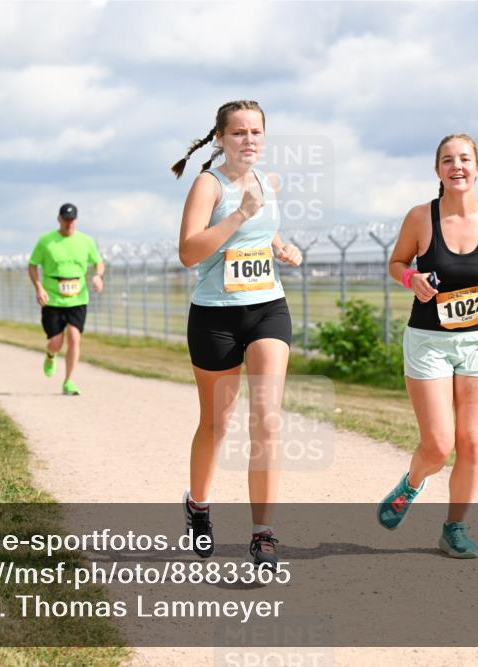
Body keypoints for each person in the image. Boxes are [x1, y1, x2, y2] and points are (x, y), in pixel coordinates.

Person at [376, 133, 478, 558]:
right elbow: (396, 263)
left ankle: (454, 528)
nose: (456, 166)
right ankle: (411, 484)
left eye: (464, 159)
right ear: (437, 170)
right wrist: (412, 279)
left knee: (473, 441)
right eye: (448, 160)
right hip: (428, 342)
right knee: (439, 445)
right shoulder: (420, 218)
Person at [172, 100, 303, 569]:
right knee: (216, 423)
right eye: (239, 132)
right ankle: (199, 506)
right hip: (215, 316)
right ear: (220, 139)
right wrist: (239, 216)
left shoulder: (270, 183)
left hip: (267, 308)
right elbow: (189, 252)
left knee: (267, 420)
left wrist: (281, 246)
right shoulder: (209, 184)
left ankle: (263, 534)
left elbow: (261, 235)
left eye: (256, 132)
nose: (249, 139)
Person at [28, 203, 105, 396]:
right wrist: (38, 288)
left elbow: (98, 262)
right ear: (59, 219)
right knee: (56, 342)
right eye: (66, 219)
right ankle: (50, 355)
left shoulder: (86, 241)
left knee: (74, 337)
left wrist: (97, 276)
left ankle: (68, 381)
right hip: (52, 298)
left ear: (76, 220)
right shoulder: (46, 241)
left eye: (72, 220)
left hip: (78, 298)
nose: (69, 223)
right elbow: (32, 266)